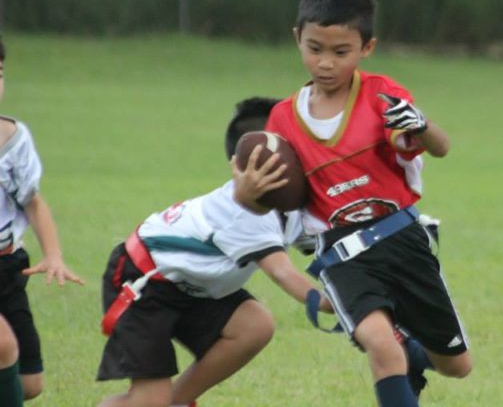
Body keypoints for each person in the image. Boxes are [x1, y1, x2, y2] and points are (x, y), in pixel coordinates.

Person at [232, 0, 472, 407]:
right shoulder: (283, 119)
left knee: (457, 365)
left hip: (402, 238)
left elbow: (439, 147)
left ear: (367, 48)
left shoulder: (382, 96)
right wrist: (246, 190)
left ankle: (412, 355)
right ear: (297, 39)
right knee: (380, 346)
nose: (325, 63)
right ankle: (397, 354)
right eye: (314, 48)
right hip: (341, 252)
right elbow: (262, 202)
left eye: (340, 52)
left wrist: (421, 125)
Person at [97, 96, 331, 407]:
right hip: (144, 282)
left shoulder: (292, 207)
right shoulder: (243, 211)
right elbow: (281, 271)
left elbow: (330, 242)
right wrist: (333, 304)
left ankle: (177, 402)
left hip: (194, 287)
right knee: (148, 401)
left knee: (254, 325)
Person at [0, 37, 84, 403]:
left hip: (8, 266)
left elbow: (32, 202)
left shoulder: (13, 138)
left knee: (29, 383)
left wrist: (53, 254)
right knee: (3, 346)